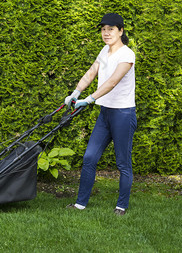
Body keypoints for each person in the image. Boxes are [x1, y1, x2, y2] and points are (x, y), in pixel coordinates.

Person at [65, 13, 137, 216]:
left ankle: (121, 206)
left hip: (123, 114)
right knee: (89, 158)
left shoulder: (127, 55)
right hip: (105, 114)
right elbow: (91, 72)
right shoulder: (104, 51)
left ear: (121, 31)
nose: (106, 33)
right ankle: (80, 204)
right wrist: (76, 92)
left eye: (111, 29)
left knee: (123, 163)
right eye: (103, 29)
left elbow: (112, 81)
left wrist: (90, 99)